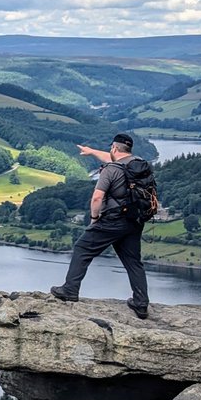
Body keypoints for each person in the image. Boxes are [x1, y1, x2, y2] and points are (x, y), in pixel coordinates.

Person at [50, 133, 149, 318]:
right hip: (134, 221)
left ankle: (70, 290)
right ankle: (141, 304)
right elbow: (113, 157)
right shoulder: (138, 164)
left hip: (112, 220)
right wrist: (91, 152)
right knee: (133, 261)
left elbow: (97, 198)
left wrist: (94, 218)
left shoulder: (110, 170)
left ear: (114, 148)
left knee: (82, 248)